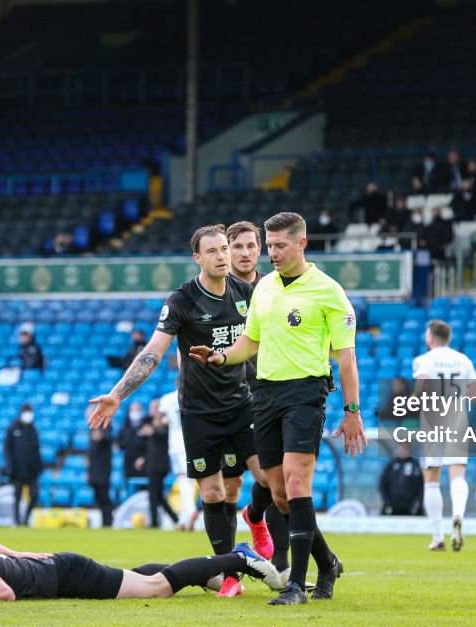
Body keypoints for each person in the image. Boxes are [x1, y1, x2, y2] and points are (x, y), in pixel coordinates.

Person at [188, 212, 366, 605]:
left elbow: (347, 358)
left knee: (298, 481)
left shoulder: (328, 291)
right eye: (269, 246)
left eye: (280, 245)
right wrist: (219, 358)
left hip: (305, 393)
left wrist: (352, 410)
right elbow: (250, 342)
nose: (273, 253)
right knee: (281, 494)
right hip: (265, 396)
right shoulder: (265, 288)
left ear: (302, 244)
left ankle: (296, 586)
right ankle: (328, 562)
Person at [89, 223, 275, 598]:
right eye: (214, 251)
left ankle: (255, 517)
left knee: (270, 480)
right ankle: (229, 577)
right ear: (198, 258)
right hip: (199, 411)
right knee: (211, 494)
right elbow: (153, 352)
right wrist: (117, 395)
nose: (223, 256)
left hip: (243, 403)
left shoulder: (247, 292)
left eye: (225, 249)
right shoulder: (182, 301)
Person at [0, 532, 281, 603]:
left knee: (156, 588)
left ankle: (237, 558)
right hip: (61, 572)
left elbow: (2, 592)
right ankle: (211, 576)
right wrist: (18, 555)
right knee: (138, 579)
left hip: (67, 575)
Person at [225, 221, 291, 576]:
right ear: (227, 250)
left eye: (252, 246)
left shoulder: (273, 287)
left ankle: (270, 543)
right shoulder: (217, 290)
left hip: (272, 391)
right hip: (232, 397)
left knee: (275, 477)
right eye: (238, 247)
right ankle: (239, 553)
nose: (246, 253)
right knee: (249, 481)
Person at [411, 320, 476, 552]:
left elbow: (421, 385)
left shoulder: (424, 360)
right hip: (457, 418)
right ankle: (458, 515)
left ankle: (437, 536)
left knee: (431, 477)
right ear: (448, 338)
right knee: (457, 473)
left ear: (430, 338)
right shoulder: (463, 360)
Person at [158, 385, 197, 531]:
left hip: (175, 445)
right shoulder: (194, 397)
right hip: (191, 443)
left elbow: (161, 420)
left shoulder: (167, 399)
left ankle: (190, 511)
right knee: (190, 480)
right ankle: (184, 519)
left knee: (182, 480)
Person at [4, 404, 42, 527]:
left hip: (32, 471)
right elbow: (7, 449)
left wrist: (39, 466)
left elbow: (37, 450)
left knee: (35, 495)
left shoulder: (33, 429)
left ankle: (26, 518)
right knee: (17, 496)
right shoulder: (13, 428)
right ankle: (17, 521)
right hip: (17, 470)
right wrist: (9, 465)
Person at [145, 399, 179, 529]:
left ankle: (153, 521)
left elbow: (164, 434)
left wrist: (153, 432)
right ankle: (174, 517)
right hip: (152, 464)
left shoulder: (165, 422)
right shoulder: (151, 423)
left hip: (159, 465)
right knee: (158, 495)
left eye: (154, 407)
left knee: (153, 494)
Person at [86, 407, 114, 528]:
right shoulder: (91, 430)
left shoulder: (105, 425)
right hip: (94, 470)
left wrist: (101, 436)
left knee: (104, 496)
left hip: (103, 470)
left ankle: (108, 522)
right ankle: (104, 522)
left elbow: (108, 436)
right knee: (98, 497)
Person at [379, 442, 423, 516]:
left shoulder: (416, 466)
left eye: (405, 448)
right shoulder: (391, 465)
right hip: (393, 506)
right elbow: (382, 484)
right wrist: (387, 501)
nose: (403, 451)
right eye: (401, 448)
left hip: (411, 506)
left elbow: (422, 485)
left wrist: (418, 500)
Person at [116, 403, 150, 479]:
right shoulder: (125, 427)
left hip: (144, 465)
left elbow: (151, 445)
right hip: (129, 465)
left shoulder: (147, 426)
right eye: (133, 410)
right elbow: (120, 444)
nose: (135, 412)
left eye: (137, 410)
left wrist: (144, 458)